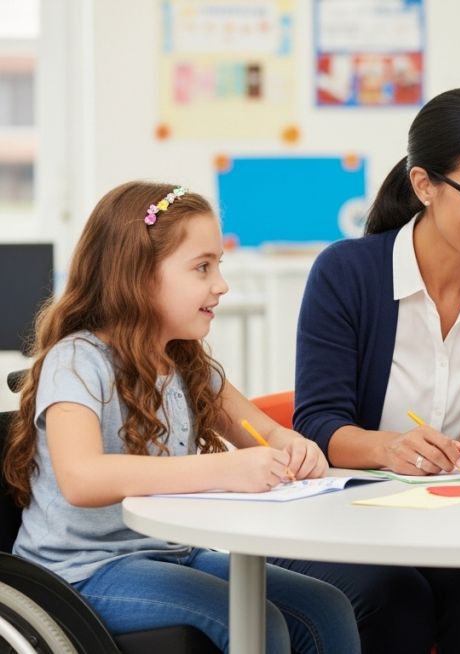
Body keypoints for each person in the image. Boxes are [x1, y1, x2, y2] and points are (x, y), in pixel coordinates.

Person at [3, 181, 359, 654]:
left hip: (171, 551)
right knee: (256, 623)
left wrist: (293, 446)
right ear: (139, 275)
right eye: (202, 267)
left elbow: (264, 432)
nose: (221, 284)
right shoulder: (76, 361)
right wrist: (223, 469)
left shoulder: (186, 363)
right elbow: (81, 477)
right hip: (82, 570)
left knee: (326, 606)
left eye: (219, 265)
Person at [275, 87, 460, 654]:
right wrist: (389, 449)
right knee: (394, 600)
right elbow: (319, 424)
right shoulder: (346, 273)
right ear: (425, 185)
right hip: (351, 522)